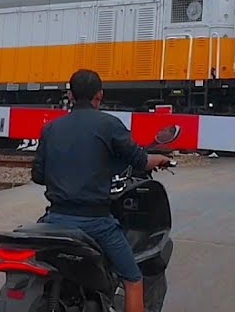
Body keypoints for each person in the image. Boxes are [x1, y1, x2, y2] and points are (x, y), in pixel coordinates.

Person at [30, 69, 173, 312]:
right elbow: (139, 160)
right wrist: (159, 158)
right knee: (133, 277)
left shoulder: (51, 129)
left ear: (70, 95)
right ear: (99, 96)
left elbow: (38, 176)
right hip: (94, 221)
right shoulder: (109, 125)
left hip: (54, 220)